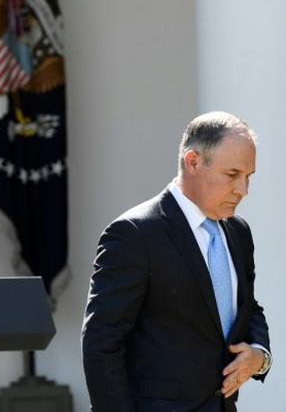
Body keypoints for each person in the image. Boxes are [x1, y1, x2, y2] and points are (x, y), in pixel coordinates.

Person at [81, 112, 271, 411]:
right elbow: (101, 344)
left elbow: (248, 307)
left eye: (248, 177)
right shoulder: (134, 234)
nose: (242, 190)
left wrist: (260, 355)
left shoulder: (238, 232)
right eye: (232, 175)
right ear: (193, 162)